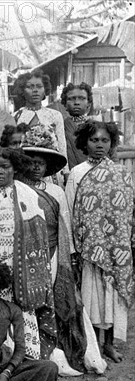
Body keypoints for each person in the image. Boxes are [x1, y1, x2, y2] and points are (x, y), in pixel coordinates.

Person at [0, 147, 54, 360]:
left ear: (15, 169)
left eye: (5, 167)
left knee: (18, 305)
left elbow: (37, 234)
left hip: (19, 264)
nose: (0, 172)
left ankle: (25, 355)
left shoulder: (27, 194)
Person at [21, 128, 92, 374]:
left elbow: (64, 226)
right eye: (31, 162)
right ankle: (31, 351)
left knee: (53, 299)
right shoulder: (18, 188)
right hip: (26, 255)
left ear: (49, 166)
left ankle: (56, 351)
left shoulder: (56, 191)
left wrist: (68, 257)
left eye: (41, 163)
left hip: (52, 252)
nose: (36, 167)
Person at [65, 120, 134, 363]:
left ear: (112, 143)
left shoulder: (121, 173)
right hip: (89, 248)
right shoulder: (77, 173)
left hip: (116, 247)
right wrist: (74, 248)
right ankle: (93, 343)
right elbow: (71, 211)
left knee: (113, 295)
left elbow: (129, 210)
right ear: (85, 142)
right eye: (94, 140)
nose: (99, 145)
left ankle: (109, 344)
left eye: (105, 140)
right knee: (92, 296)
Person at [13, 69, 67, 176]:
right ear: (22, 91)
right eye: (30, 87)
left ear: (45, 89)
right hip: (25, 170)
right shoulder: (15, 116)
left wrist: (65, 171)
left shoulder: (55, 115)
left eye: (39, 86)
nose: (35, 90)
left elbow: (62, 145)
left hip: (51, 169)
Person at [61, 82, 97, 169]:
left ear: (88, 103)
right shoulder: (60, 126)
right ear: (65, 104)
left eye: (82, 98)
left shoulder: (97, 127)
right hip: (68, 175)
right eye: (71, 99)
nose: (76, 102)